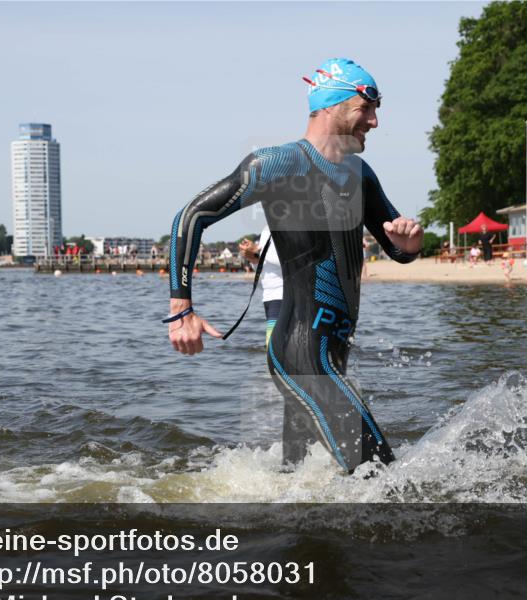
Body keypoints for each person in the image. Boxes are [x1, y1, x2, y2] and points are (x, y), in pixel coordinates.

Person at [166, 58, 421, 474]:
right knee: (383, 477)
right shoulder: (279, 163)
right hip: (302, 357)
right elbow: (190, 217)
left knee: (297, 479)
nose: (375, 122)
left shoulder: (360, 174)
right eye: (365, 108)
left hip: (334, 353)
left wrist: (409, 244)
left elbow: (400, 249)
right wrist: (182, 308)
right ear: (331, 106)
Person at [238, 225, 283, 346]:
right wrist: (253, 258)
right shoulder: (266, 229)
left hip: (284, 296)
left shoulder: (293, 223)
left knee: (274, 349)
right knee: (273, 349)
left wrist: (257, 251)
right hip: (269, 296)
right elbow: (266, 267)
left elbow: (293, 260)